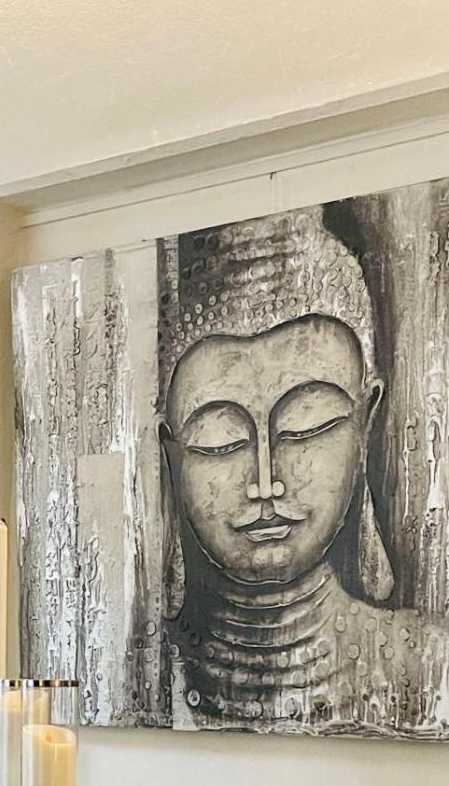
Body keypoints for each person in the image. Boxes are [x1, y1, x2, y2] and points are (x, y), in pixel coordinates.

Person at [158, 207, 449, 733]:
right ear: (171, 452)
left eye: (306, 427)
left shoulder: (431, 664)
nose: (266, 483)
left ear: (366, 424)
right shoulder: (143, 672)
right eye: (220, 441)